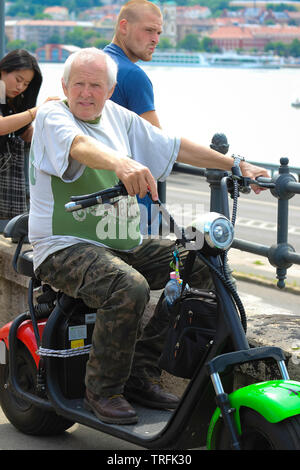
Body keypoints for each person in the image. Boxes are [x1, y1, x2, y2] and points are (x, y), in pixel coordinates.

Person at [29, 48, 269, 425]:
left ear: (110, 90)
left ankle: (142, 370)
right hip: (63, 246)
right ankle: (103, 390)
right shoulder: (52, 115)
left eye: (96, 85)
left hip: (124, 241)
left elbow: (172, 145)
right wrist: (121, 163)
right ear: (64, 86)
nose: (86, 93)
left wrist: (237, 164)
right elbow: (78, 146)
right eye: (79, 84)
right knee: (129, 286)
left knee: (201, 260)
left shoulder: (117, 117)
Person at [104, 0, 163, 234]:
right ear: (124, 27)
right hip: (131, 198)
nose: (155, 39)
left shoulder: (99, 64)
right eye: (149, 30)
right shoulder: (133, 75)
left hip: (98, 191)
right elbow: (157, 143)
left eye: (158, 32)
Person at [0, 49, 58, 222]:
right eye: (18, 80)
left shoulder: (10, 99)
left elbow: (23, 133)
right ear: (3, 70)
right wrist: (36, 112)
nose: (20, 87)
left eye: (26, 84)